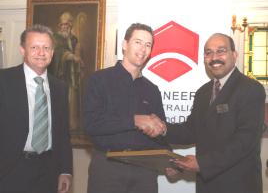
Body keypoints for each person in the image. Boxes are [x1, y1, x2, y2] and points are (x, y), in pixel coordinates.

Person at [163, 33, 265, 193]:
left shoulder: (251, 89)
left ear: (234, 55)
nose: (214, 57)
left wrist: (202, 164)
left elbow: (244, 141)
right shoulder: (202, 92)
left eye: (221, 51)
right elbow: (191, 131)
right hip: (206, 186)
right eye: (208, 52)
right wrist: (162, 128)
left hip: (239, 186)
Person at [83, 23, 168, 193]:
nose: (143, 49)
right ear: (124, 44)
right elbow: (91, 125)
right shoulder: (99, 80)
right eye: (138, 42)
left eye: (148, 45)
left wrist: (163, 133)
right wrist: (134, 120)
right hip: (108, 168)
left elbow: (159, 136)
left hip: (145, 172)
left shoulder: (152, 90)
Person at [0, 24, 73, 193]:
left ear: (52, 53)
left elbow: (63, 133)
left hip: (48, 171)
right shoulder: (4, 81)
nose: (41, 53)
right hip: (10, 170)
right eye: (34, 47)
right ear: (22, 50)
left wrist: (65, 170)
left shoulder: (60, 87)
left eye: (46, 48)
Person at [49, 11, 84, 130]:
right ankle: (60, 125)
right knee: (61, 100)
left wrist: (78, 58)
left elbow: (78, 55)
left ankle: (72, 124)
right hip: (60, 74)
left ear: (70, 26)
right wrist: (70, 56)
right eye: (62, 25)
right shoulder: (55, 38)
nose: (64, 27)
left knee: (72, 99)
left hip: (72, 74)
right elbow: (57, 53)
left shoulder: (74, 39)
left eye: (67, 25)